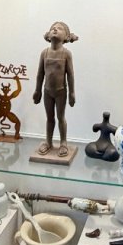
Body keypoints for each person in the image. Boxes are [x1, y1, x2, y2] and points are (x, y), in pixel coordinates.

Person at [33, 21, 78, 156]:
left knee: (61, 117)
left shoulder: (66, 54)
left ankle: (63, 143)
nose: (55, 30)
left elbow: (70, 75)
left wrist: (72, 93)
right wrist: (37, 90)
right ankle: (48, 142)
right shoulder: (44, 53)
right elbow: (40, 74)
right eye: (53, 28)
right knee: (50, 118)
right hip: (47, 91)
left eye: (59, 28)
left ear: (66, 37)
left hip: (61, 91)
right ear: (48, 35)